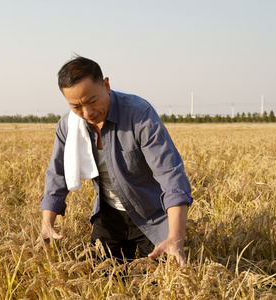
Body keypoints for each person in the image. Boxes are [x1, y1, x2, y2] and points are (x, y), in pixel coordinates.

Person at [39, 56, 193, 266]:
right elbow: (57, 174)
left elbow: (170, 175)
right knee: (104, 276)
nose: (87, 113)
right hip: (109, 214)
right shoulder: (69, 125)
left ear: (106, 85)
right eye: (76, 106)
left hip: (152, 214)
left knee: (165, 278)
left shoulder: (139, 115)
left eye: (92, 101)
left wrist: (175, 237)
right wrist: (47, 223)